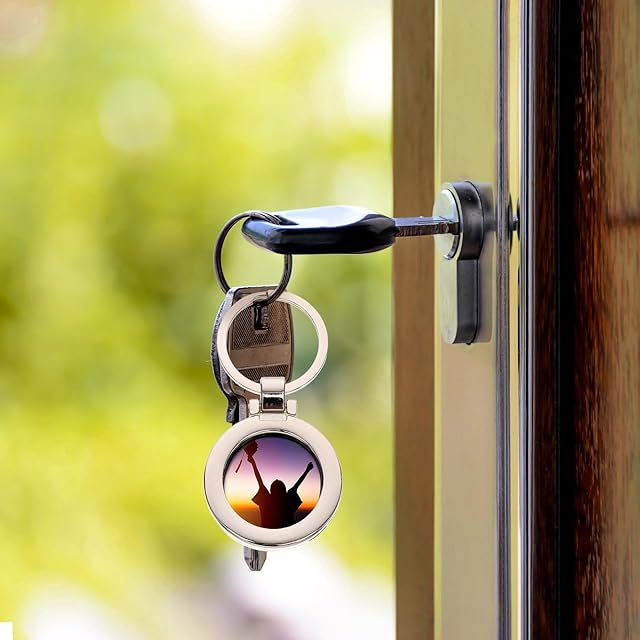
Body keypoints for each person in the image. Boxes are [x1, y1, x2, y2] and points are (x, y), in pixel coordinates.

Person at [246, 450, 314, 528]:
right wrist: (307, 470)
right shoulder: (288, 500)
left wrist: (253, 463)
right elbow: (297, 484)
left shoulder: (266, 499)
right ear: (284, 490)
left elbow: (259, 480)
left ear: (271, 490)